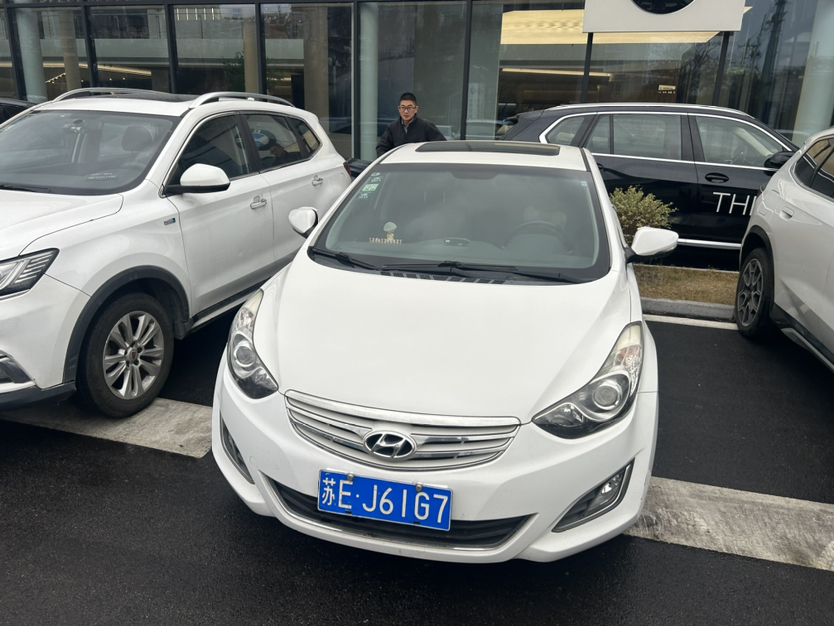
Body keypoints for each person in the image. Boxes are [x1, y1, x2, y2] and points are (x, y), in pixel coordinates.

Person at [376, 92, 446, 157]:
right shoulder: (392, 128)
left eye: (409, 108)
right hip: (398, 164)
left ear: (416, 109)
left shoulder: (426, 126)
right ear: (399, 109)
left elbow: (442, 146)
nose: (406, 111)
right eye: (403, 107)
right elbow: (381, 148)